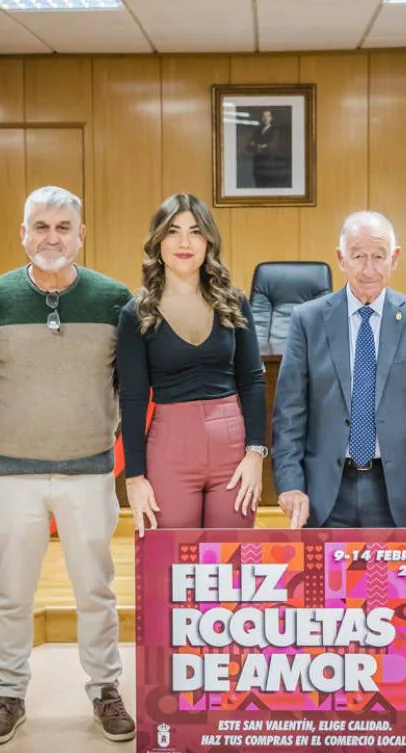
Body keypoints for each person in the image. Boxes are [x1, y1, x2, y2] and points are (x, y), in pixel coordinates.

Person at [0, 185, 136, 746]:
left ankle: (105, 688)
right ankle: (8, 693)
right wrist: (11, 433)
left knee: (96, 591)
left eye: (63, 227)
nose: (51, 237)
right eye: (41, 226)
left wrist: (93, 429)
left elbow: (127, 384)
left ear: (81, 235)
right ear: (23, 234)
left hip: (90, 472)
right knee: (12, 591)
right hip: (16, 475)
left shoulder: (114, 300)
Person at [270, 210, 406, 531]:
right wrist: (289, 483)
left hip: (398, 490)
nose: (369, 269)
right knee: (329, 582)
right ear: (341, 259)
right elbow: (289, 413)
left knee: (394, 584)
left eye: (379, 257)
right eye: (358, 256)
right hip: (326, 492)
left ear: (395, 259)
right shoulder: (307, 320)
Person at [117, 192, 267, 534]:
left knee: (231, 567)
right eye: (173, 231)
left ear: (208, 241)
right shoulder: (136, 314)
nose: (184, 242)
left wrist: (255, 453)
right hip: (170, 450)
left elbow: (253, 381)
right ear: (158, 241)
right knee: (170, 565)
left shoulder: (234, 303)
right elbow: (133, 399)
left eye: (196, 231)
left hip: (233, 450)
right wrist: (135, 477)